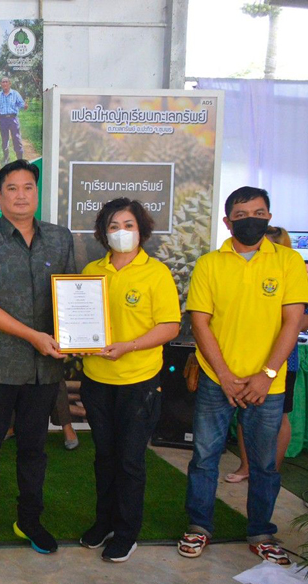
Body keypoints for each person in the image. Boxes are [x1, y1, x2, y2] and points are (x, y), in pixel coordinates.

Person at [179, 187, 308, 565]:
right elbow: (200, 323)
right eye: (241, 213)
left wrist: (266, 375)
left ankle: (261, 531)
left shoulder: (288, 261)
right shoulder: (209, 264)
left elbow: (292, 321)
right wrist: (224, 375)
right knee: (205, 456)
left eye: (258, 211)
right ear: (227, 221)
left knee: (265, 463)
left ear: (268, 216)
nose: (250, 218)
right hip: (216, 380)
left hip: (267, 384)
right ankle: (198, 526)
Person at [0, 160, 76, 556]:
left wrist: (75, 333)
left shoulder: (60, 239)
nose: (21, 195)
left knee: (34, 449)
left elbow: (73, 297)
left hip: (44, 367)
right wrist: (35, 337)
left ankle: (29, 520)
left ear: (36, 192)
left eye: (28, 187)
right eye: (12, 188)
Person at [79, 199, 181, 562]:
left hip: (138, 381)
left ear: (142, 229)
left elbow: (170, 326)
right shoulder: (93, 270)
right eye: (112, 225)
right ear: (102, 232)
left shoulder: (156, 273)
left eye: (128, 225)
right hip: (97, 379)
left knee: (129, 460)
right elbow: (80, 320)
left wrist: (130, 346)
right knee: (104, 457)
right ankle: (102, 523)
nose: (120, 232)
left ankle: (126, 532)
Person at [225, 227, 308, 484]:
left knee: (279, 416)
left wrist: (275, 321)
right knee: (245, 413)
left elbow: (302, 323)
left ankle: (269, 471)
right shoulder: (248, 274)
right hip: (246, 359)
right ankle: (246, 466)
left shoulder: (298, 278)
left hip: (283, 363)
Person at [0, 77, 26, 162]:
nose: (4, 83)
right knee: (4, 140)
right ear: (1, 84)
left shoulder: (15, 94)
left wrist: (24, 106)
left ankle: (20, 159)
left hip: (13, 119)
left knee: (17, 139)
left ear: (9, 83)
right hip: (3, 120)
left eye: (6, 82)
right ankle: (6, 158)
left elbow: (21, 103)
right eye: (3, 82)